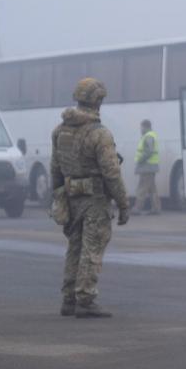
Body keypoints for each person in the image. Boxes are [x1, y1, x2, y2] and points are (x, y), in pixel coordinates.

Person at [51, 78, 130, 318]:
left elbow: (55, 168)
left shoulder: (60, 131)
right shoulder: (100, 134)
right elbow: (111, 173)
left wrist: (58, 196)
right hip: (95, 200)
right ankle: (85, 299)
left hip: (71, 197)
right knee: (92, 248)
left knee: (74, 247)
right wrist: (124, 204)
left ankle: (69, 298)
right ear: (98, 101)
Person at [134, 119, 161, 215]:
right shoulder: (150, 136)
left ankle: (137, 208)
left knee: (142, 188)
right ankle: (156, 208)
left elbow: (149, 151)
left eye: (142, 127)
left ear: (146, 127)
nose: (141, 129)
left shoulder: (148, 136)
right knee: (152, 189)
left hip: (147, 167)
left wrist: (140, 160)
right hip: (151, 167)